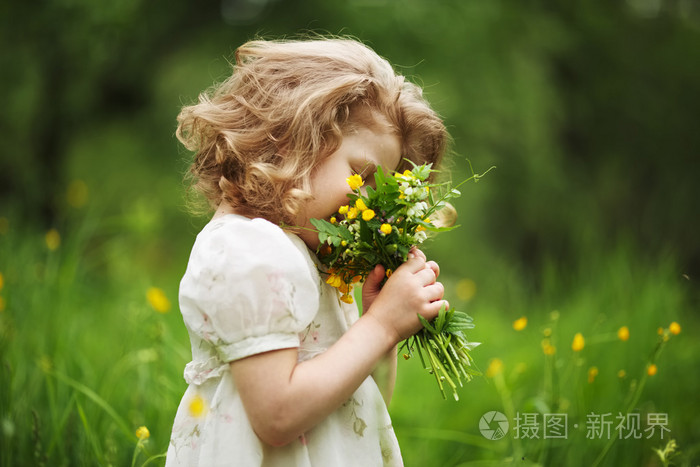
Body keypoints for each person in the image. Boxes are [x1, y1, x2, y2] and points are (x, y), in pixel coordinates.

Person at [166, 37, 450, 466]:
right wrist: (381, 327)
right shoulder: (248, 250)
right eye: (361, 176)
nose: (370, 204)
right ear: (288, 139)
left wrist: (381, 325)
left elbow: (362, 401)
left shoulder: (302, 259)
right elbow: (277, 416)